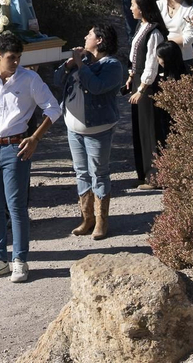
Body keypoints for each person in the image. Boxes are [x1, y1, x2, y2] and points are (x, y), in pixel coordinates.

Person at [0, 32, 62, 284]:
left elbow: (54, 109)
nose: (17, 62)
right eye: (12, 58)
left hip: (15, 148)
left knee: (16, 207)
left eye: (19, 57)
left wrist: (35, 138)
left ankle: (20, 260)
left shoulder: (30, 79)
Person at [56, 25, 125, 242]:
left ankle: (101, 221)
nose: (85, 37)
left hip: (98, 129)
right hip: (73, 128)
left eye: (90, 35)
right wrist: (69, 64)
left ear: (100, 40)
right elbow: (56, 80)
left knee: (99, 173)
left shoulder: (113, 65)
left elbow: (95, 86)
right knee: (81, 172)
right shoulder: (82, 61)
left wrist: (79, 63)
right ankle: (87, 219)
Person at [126, 0, 175, 186]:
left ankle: (155, 176)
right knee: (140, 129)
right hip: (138, 82)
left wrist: (142, 88)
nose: (131, 8)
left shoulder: (154, 32)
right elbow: (135, 58)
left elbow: (151, 64)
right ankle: (145, 172)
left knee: (150, 130)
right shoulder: (142, 27)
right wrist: (131, 76)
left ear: (143, 8)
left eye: (134, 5)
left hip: (148, 86)